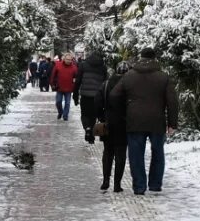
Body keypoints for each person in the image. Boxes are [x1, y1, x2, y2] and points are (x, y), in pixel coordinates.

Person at [111, 47, 179, 195]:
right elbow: (172, 101)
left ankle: (139, 186)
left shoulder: (129, 76)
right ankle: (155, 184)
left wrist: (124, 112)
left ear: (140, 58)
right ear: (155, 59)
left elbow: (114, 95)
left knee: (136, 154)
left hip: (134, 120)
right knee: (157, 152)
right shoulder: (163, 77)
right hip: (157, 120)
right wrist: (172, 123)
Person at [95, 61, 130, 192]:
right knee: (121, 154)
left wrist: (101, 117)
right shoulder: (129, 86)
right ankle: (117, 184)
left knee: (108, 152)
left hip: (107, 122)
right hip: (124, 124)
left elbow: (97, 102)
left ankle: (105, 180)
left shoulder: (106, 84)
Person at [74, 50, 108, 144]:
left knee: (85, 114)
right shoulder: (103, 67)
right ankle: (91, 135)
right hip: (97, 96)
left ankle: (87, 128)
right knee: (93, 116)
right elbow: (106, 83)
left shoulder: (83, 65)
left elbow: (78, 81)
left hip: (85, 95)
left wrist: (75, 96)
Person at [50, 52, 79, 121]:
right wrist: (52, 84)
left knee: (67, 103)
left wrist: (74, 85)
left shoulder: (74, 68)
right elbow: (53, 75)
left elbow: (77, 77)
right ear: (64, 59)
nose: (69, 61)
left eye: (70, 59)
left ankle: (65, 116)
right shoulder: (58, 65)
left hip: (69, 88)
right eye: (67, 59)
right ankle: (60, 112)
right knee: (58, 102)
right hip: (59, 87)